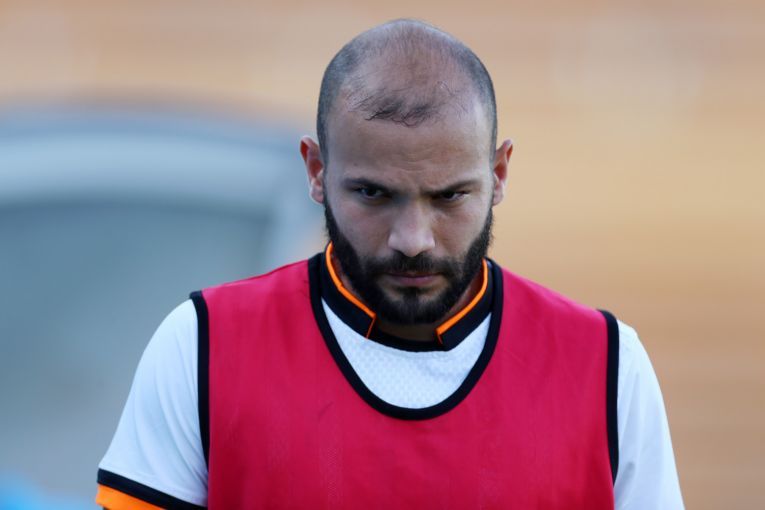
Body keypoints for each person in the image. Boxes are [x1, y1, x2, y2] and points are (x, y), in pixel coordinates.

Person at [95, 19, 684, 509]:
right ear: (316, 170)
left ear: (499, 173)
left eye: (449, 196)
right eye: (374, 194)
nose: (413, 240)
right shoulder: (202, 345)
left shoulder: (608, 365)